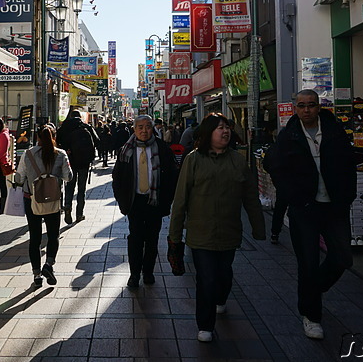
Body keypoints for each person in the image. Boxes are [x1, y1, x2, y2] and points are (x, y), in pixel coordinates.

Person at [262, 89, 357, 340]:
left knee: (343, 257)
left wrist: (347, 195)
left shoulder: (335, 131)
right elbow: (272, 164)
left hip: (334, 206)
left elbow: (349, 163)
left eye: (311, 105)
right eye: (302, 105)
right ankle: (312, 316)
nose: (306, 110)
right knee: (307, 263)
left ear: (319, 107)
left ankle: (314, 288)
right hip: (304, 208)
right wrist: (292, 195)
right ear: (295, 108)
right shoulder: (289, 136)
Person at [169, 113, 265, 343]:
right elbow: (180, 199)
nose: (225, 132)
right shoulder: (193, 160)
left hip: (230, 231)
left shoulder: (238, 160)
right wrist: (175, 236)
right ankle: (205, 325)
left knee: (223, 275)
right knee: (206, 278)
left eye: (227, 128)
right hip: (200, 233)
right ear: (207, 133)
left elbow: (251, 196)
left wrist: (258, 227)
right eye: (219, 128)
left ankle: (221, 298)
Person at [112, 115, 178, 288]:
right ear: (134, 129)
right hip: (134, 201)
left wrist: (167, 201)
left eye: (147, 127)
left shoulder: (162, 149)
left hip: (154, 201)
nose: (144, 130)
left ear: (153, 129)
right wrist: (121, 200)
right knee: (135, 238)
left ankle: (148, 271)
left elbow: (172, 177)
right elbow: (117, 177)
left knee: (152, 239)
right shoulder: (126, 150)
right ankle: (134, 274)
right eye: (140, 127)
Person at [14, 125, 72, 288]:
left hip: (32, 200)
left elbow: (19, 178)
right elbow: (69, 177)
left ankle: (37, 274)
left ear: (37, 137)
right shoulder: (61, 154)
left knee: (35, 238)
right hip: (53, 200)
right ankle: (49, 265)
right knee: (53, 235)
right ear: (54, 136)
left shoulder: (28, 154)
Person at [56, 109, 100, 224]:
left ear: (70, 116)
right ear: (80, 117)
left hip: (70, 161)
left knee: (69, 186)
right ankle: (79, 214)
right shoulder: (86, 127)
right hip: (84, 163)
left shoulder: (64, 127)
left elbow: (57, 142)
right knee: (81, 189)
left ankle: (67, 206)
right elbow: (97, 140)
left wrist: (67, 149)